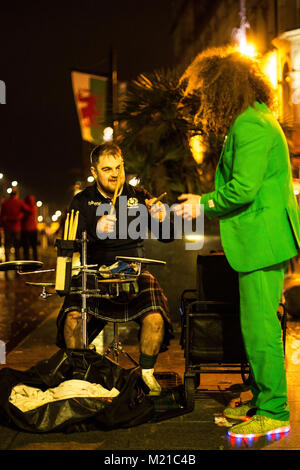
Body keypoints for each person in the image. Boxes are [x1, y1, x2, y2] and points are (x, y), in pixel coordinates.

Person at [175, 47, 300, 437]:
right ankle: (262, 398)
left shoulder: (251, 125)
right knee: (254, 325)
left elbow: (243, 189)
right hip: (259, 240)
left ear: (225, 90)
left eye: (210, 93)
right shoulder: (254, 120)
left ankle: (275, 410)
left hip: (262, 241)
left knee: (260, 328)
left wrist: (203, 202)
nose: (206, 102)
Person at [56, 142, 173, 395]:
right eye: (106, 168)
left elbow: (167, 237)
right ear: (94, 171)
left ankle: (147, 375)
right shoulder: (82, 200)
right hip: (95, 272)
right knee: (73, 316)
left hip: (135, 271)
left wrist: (164, 219)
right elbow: (67, 243)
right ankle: (79, 375)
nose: (114, 174)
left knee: (155, 317)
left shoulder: (139, 196)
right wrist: (95, 232)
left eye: (118, 167)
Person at [0, 188, 29, 262]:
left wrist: (1, 226)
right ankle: (17, 261)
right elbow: (29, 210)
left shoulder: (5, 203)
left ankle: (7, 261)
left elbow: (1, 215)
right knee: (17, 246)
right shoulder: (19, 203)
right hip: (17, 228)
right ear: (16, 195)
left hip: (7, 228)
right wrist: (21, 215)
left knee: (7, 245)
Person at [21, 194, 38, 260]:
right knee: (34, 247)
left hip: (25, 229)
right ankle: (35, 260)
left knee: (26, 247)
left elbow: (21, 216)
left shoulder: (23, 207)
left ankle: (27, 261)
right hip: (33, 229)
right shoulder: (34, 207)